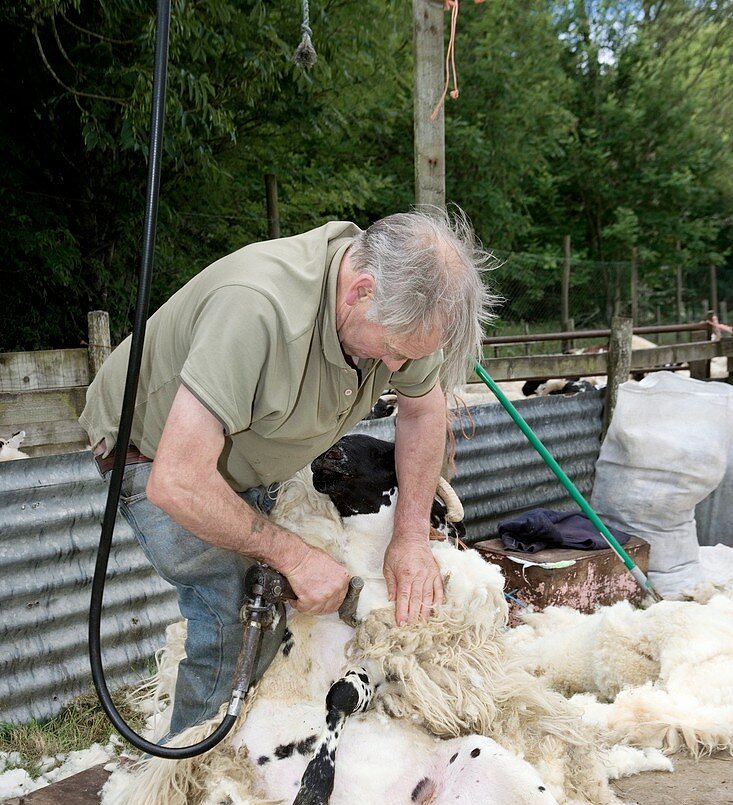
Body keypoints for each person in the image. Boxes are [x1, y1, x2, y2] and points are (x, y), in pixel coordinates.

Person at [80, 208, 496, 737]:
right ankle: (191, 783)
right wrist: (293, 555)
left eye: (408, 356)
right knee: (240, 616)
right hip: (155, 453)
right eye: (392, 350)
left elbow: (423, 408)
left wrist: (410, 538)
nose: (395, 367)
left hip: (260, 444)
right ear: (359, 291)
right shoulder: (257, 309)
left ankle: (270, 750)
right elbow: (180, 481)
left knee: (290, 613)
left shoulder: (402, 311)